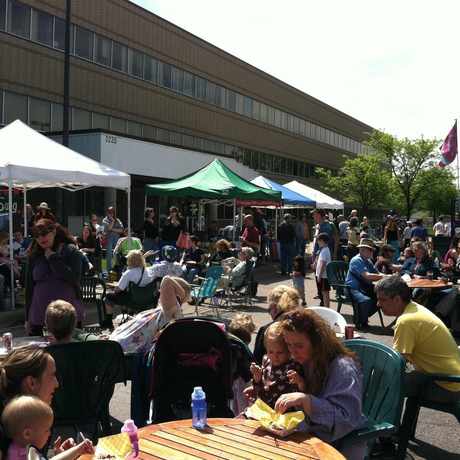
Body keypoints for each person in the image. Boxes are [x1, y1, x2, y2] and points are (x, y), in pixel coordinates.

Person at [273, 309, 367, 459]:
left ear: (317, 342)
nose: (293, 352)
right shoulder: (306, 361)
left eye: (299, 345)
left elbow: (346, 418)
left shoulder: (343, 368)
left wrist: (306, 400)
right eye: (289, 345)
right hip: (311, 435)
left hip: (342, 444)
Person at [375, 275, 460, 403]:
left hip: (448, 386)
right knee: (402, 379)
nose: (378, 304)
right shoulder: (414, 308)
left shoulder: (406, 321)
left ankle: (379, 421)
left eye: (382, 300)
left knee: (381, 384)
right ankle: (404, 422)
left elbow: (396, 363)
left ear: (397, 299)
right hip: (451, 379)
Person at [25, 219, 84, 336]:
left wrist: (53, 258)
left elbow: (73, 278)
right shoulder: (34, 254)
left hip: (67, 313)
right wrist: (27, 318)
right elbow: (29, 287)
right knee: (38, 351)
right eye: (36, 235)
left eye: (44, 234)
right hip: (39, 313)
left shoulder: (70, 250)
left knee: (70, 348)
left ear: (53, 232)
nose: (41, 238)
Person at [1, 396, 94, 460]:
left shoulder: (20, 449)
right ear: (27, 434)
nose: (50, 433)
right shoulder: (22, 456)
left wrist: (78, 449)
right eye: (46, 430)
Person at [246, 322, 305, 409]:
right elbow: (261, 385)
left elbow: (302, 392)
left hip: (284, 412)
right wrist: (257, 377)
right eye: (270, 352)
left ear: (289, 351)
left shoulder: (292, 366)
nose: (275, 356)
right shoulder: (266, 361)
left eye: (280, 352)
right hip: (264, 408)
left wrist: (300, 381)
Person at [104, 249, 156, 329]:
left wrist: (113, 287)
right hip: (147, 300)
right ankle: (130, 316)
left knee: (108, 297)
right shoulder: (149, 271)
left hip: (133, 301)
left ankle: (108, 322)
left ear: (130, 260)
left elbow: (118, 289)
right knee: (125, 294)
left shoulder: (129, 273)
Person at [253, 286, 300, 364]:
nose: (269, 313)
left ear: (275, 308)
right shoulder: (304, 326)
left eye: (269, 310)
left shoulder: (266, 331)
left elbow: (257, 361)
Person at [345, 238, 386, 328]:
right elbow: (367, 276)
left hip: (364, 288)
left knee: (383, 298)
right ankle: (360, 322)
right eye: (370, 250)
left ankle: (363, 317)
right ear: (362, 250)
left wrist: (389, 276)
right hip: (352, 288)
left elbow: (377, 274)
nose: (372, 252)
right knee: (365, 301)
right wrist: (384, 277)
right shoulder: (356, 260)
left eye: (372, 250)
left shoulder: (368, 261)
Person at [102, 207, 124, 273]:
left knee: (118, 253)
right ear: (107, 213)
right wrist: (112, 221)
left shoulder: (118, 220)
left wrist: (112, 229)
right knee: (109, 254)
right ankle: (109, 269)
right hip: (108, 238)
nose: (111, 214)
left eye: (112, 212)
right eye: (109, 212)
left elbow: (121, 230)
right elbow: (108, 228)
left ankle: (118, 268)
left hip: (116, 239)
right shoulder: (105, 220)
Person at [314, 233, 331, 308]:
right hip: (322, 275)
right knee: (323, 292)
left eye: (319, 241)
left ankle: (327, 307)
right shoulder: (323, 250)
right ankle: (325, 306)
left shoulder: (325, 251)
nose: (318, 242)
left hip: (324, 276)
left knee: (325, 292)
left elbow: (323, 264)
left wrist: (320, 275)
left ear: (323, 241)